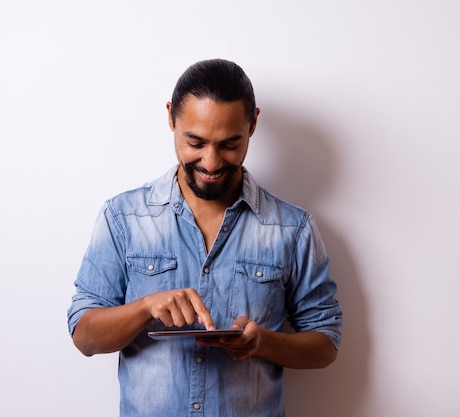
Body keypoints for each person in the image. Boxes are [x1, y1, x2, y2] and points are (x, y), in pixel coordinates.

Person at [67, 58, 342, 417]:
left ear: (253, 123)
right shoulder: (123, 217)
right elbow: (84, 336)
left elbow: (326, 343)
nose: (211, 163)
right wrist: (146, 307)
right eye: (194, 142)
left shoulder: (293, 228)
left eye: (230, 144)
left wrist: (264, 343)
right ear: (171, 118)